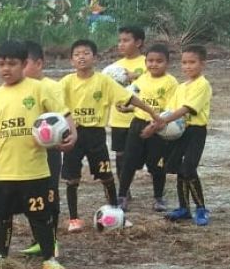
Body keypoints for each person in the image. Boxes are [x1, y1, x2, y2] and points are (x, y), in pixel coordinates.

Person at [0, 40, 72, 269]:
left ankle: (49, 258)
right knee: (2, 215)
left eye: (12, 64)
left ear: (24, 64)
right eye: (1, 64)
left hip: (33, 170)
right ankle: (1, 256)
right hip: (3, 171)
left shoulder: (38, 89)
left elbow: (63, 115)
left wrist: (71, 136)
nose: (6, 69)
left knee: (40, 216)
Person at [59, 39, 158, 232]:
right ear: (71, 60)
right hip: (73, 135)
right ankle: (73, 219)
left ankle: (117, 215)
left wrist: (153, 113)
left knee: (106, 176)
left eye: (86, 53)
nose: (82, 57)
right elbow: (52, 104)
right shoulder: (65, 83)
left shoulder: (104, 81)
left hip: (96, 135)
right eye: (77, 54)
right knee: (72, 179)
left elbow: (129, 97)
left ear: (94, 58)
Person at [147, 45, 213, 226]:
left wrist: (162, 122)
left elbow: (185, 109)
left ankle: (201, 208)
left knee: (188, 169)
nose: (188, 66)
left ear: (202, 64)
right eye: (184, 63)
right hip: (179, 133)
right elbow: (170, 110)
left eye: (192, 62)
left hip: (195, 131)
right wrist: (155, 125)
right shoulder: (181, 87)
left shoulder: (203, 85)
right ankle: (184, 208)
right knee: (177, 168)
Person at [117, 43, 178, 212]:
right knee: (129, 162)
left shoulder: (171, 82)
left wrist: (155, 126)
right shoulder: (141, 79)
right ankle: (122, 196)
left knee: (156, 165)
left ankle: (158, 198)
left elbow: (170, 109)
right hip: (138, 124)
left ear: (168, 63)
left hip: (158, 128)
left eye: (159, 61)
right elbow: (135, 99)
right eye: (150, 60)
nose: (154, 64)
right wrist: (127, 108)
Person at [21, 41, 67, 255]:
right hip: (28, 152)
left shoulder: (50, 86)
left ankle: (52, 240)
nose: (19, 68)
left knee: (49, 192)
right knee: (31, 194)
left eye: (25, 63)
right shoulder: (18, 89)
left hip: (49, 151)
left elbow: (63, 117)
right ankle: (38, 238)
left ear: (39, 63)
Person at [108, 26, 147, 206]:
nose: (121, 44)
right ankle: (124, 191)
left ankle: (158, 193)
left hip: (139, 118)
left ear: (138, 42)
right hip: (118, 119)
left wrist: (134, 75)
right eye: (120, 41)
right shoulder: (114, 68)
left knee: (142, 156)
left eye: (126, 40)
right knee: (121, 155)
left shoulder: (148, 62)